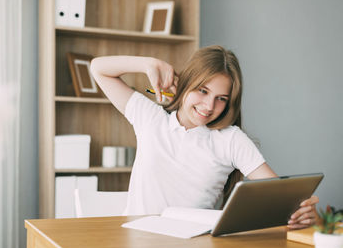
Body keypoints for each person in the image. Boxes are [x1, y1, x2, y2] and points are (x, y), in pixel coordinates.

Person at [90, 45, 318, 229]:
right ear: (186, 83)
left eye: (221, 99)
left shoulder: (230, 140)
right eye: (203, 91)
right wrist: (149, 64)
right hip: (136, 243)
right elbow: (98, 68)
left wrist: (302, 209)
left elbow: (280, 193)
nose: (209, 106)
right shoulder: (151, 118)